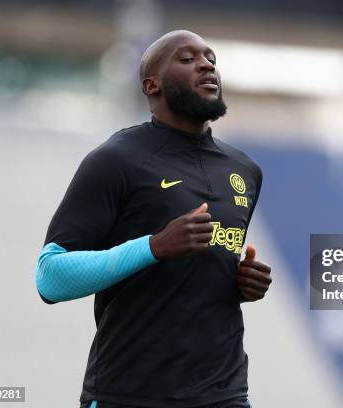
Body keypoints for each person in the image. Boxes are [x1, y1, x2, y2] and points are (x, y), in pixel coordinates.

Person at [35, 30, 272, 408]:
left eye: (210, 58)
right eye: (187, 59)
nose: (206, 64)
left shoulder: (245, 170)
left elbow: (199, 274)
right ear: (152, 85)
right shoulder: (116, 160)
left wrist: (241, 284)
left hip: (223, 393)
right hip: (129, 393)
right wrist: (154, 247)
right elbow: (51, 278)